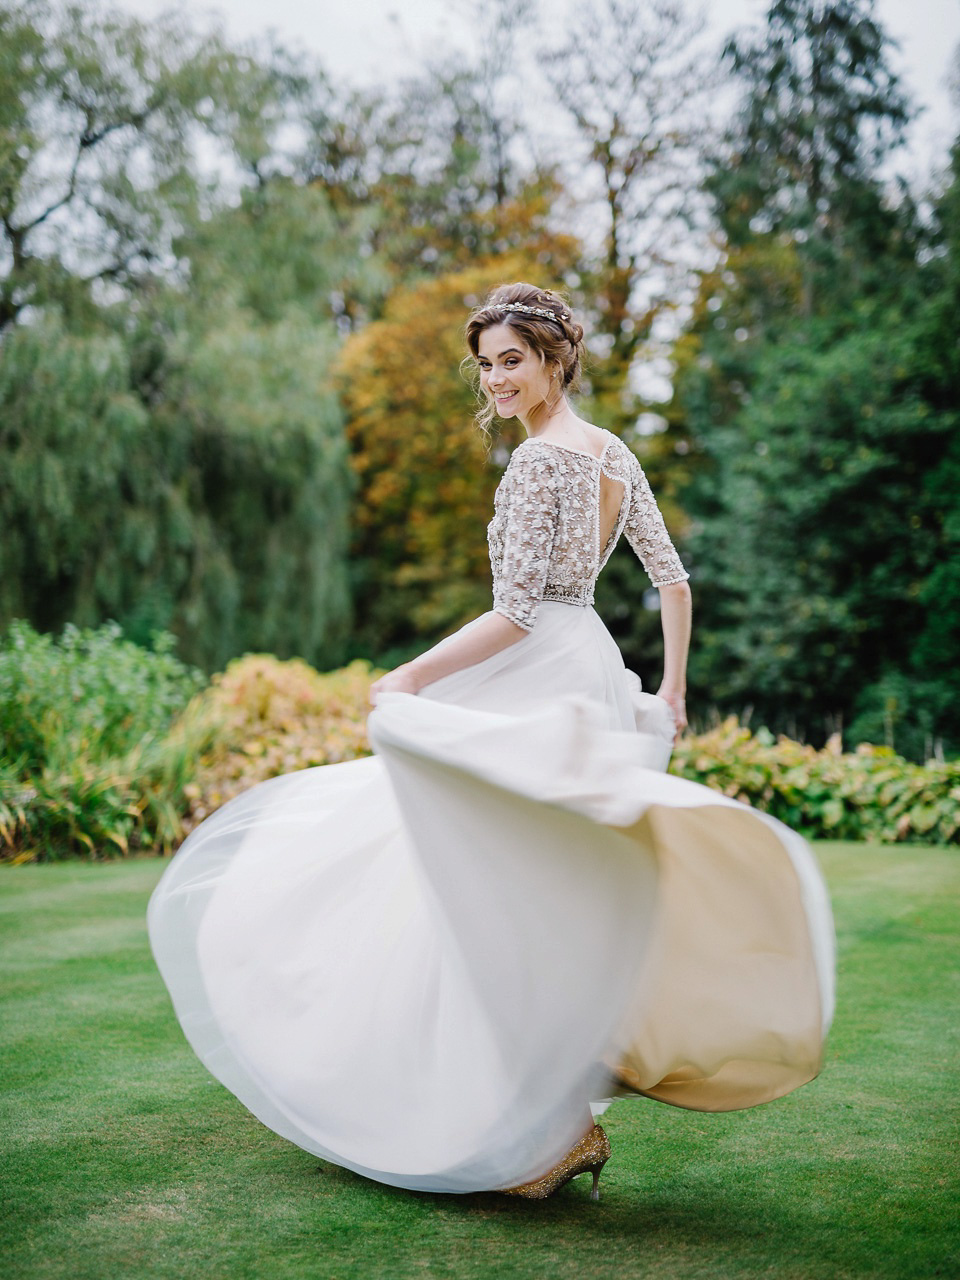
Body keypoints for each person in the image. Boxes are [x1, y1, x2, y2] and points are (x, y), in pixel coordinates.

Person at [148, 282, 834, 1202]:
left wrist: (412, 677)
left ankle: (522, 1130)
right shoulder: (613, 454)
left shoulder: (543, 464)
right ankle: (543, 1130)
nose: (497, 379)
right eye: (486, 364)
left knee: (466, 887)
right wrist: (667, 687)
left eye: (513, 359)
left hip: (537, 669)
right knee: (529, 894)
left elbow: (515, 614)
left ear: (556, 359)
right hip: (589, 667)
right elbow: (672, 582)